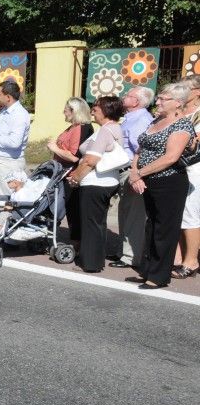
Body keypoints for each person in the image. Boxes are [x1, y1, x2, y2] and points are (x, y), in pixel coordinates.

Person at [128, 82, 196, 288]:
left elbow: (170, 157)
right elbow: (140, 151)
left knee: (165, 229)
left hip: (169, 181)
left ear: (178, 103)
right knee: (151, 226)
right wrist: (135, 174)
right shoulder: (156, 120)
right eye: (158, 98)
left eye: (162, 99)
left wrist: (139, 173)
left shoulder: (181, 125)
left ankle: (158, 276)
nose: (157, 102)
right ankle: (147, 269)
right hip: (148, 180)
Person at [64, 96, 126, 273]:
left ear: (106, 111)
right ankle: (95, 260)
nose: (92, 111)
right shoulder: (115, 128)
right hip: (107, 181)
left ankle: (90, 263)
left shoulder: (105, 131)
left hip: (96, 182)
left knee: (91, 224)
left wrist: (75, 177)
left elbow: (90, 160)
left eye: (96, 109)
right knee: (98, 223)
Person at [111, 86, 154, 268]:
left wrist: (137, 175)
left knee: (134, 215)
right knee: (125, 212)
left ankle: (131, 257)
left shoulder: (141, 120)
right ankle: (123, 251)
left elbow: (141, 149)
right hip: (125, 169)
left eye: (128, 95)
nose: (124, 97)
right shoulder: (131, 118)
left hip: (132, 170)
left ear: (136, 101)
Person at [46, 97, 94, 248]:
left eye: (66, 110)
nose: (63, 112)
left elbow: (75, 157)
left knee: (72, 208)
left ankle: (77, 242)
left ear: (74, 111)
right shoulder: (73, 127)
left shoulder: (82, 128)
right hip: (62, 172)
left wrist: (54, 148)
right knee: (64, 206)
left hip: (71, 174)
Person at [0, 80, 30, 198]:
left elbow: (14, 142)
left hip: (7, 163)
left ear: (8, 97)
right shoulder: (4, 111)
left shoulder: (19, 114)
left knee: (6, 200)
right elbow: (2, 135)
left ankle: (5, 218)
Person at [173, 75, 200, 278]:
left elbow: (194, 141)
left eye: (185, 88)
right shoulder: (181, 111)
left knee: (191, 214)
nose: (180, 91)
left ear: (197, 92)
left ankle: (191, 261)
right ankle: (182, 258)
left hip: (195, 168)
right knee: (182, 214)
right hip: (178, 167)